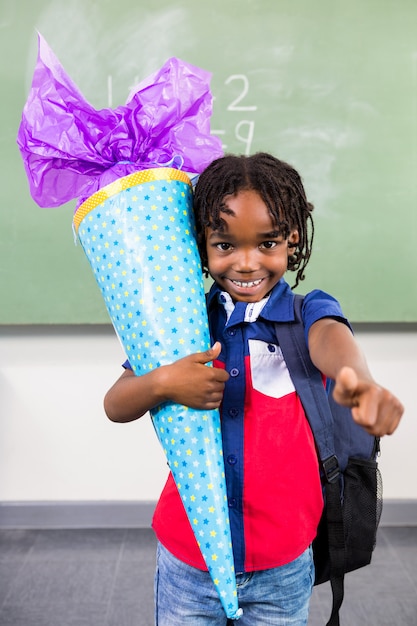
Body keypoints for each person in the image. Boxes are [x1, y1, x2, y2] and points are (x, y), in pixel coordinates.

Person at [104, 152, 403, 625]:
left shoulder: (308, 312)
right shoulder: (182, 325)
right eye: (225, 245)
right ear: (201, 245)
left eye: (267, 243)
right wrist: (164, 381)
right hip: (189, 560)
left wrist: (356, 381)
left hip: (281, 564)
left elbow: (332, 340)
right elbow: (116, 405)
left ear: (292, 239)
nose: (247, 264)